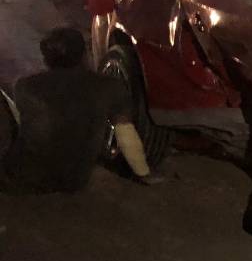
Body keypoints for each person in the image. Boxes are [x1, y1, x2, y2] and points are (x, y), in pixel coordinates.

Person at [1, 27, 157, 193]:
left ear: (47, 60)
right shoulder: (109, 87)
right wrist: (143, 173)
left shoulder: (27, 86)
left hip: (21, 177)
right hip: (74, 180)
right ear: (84, 55)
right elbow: (126, 133)